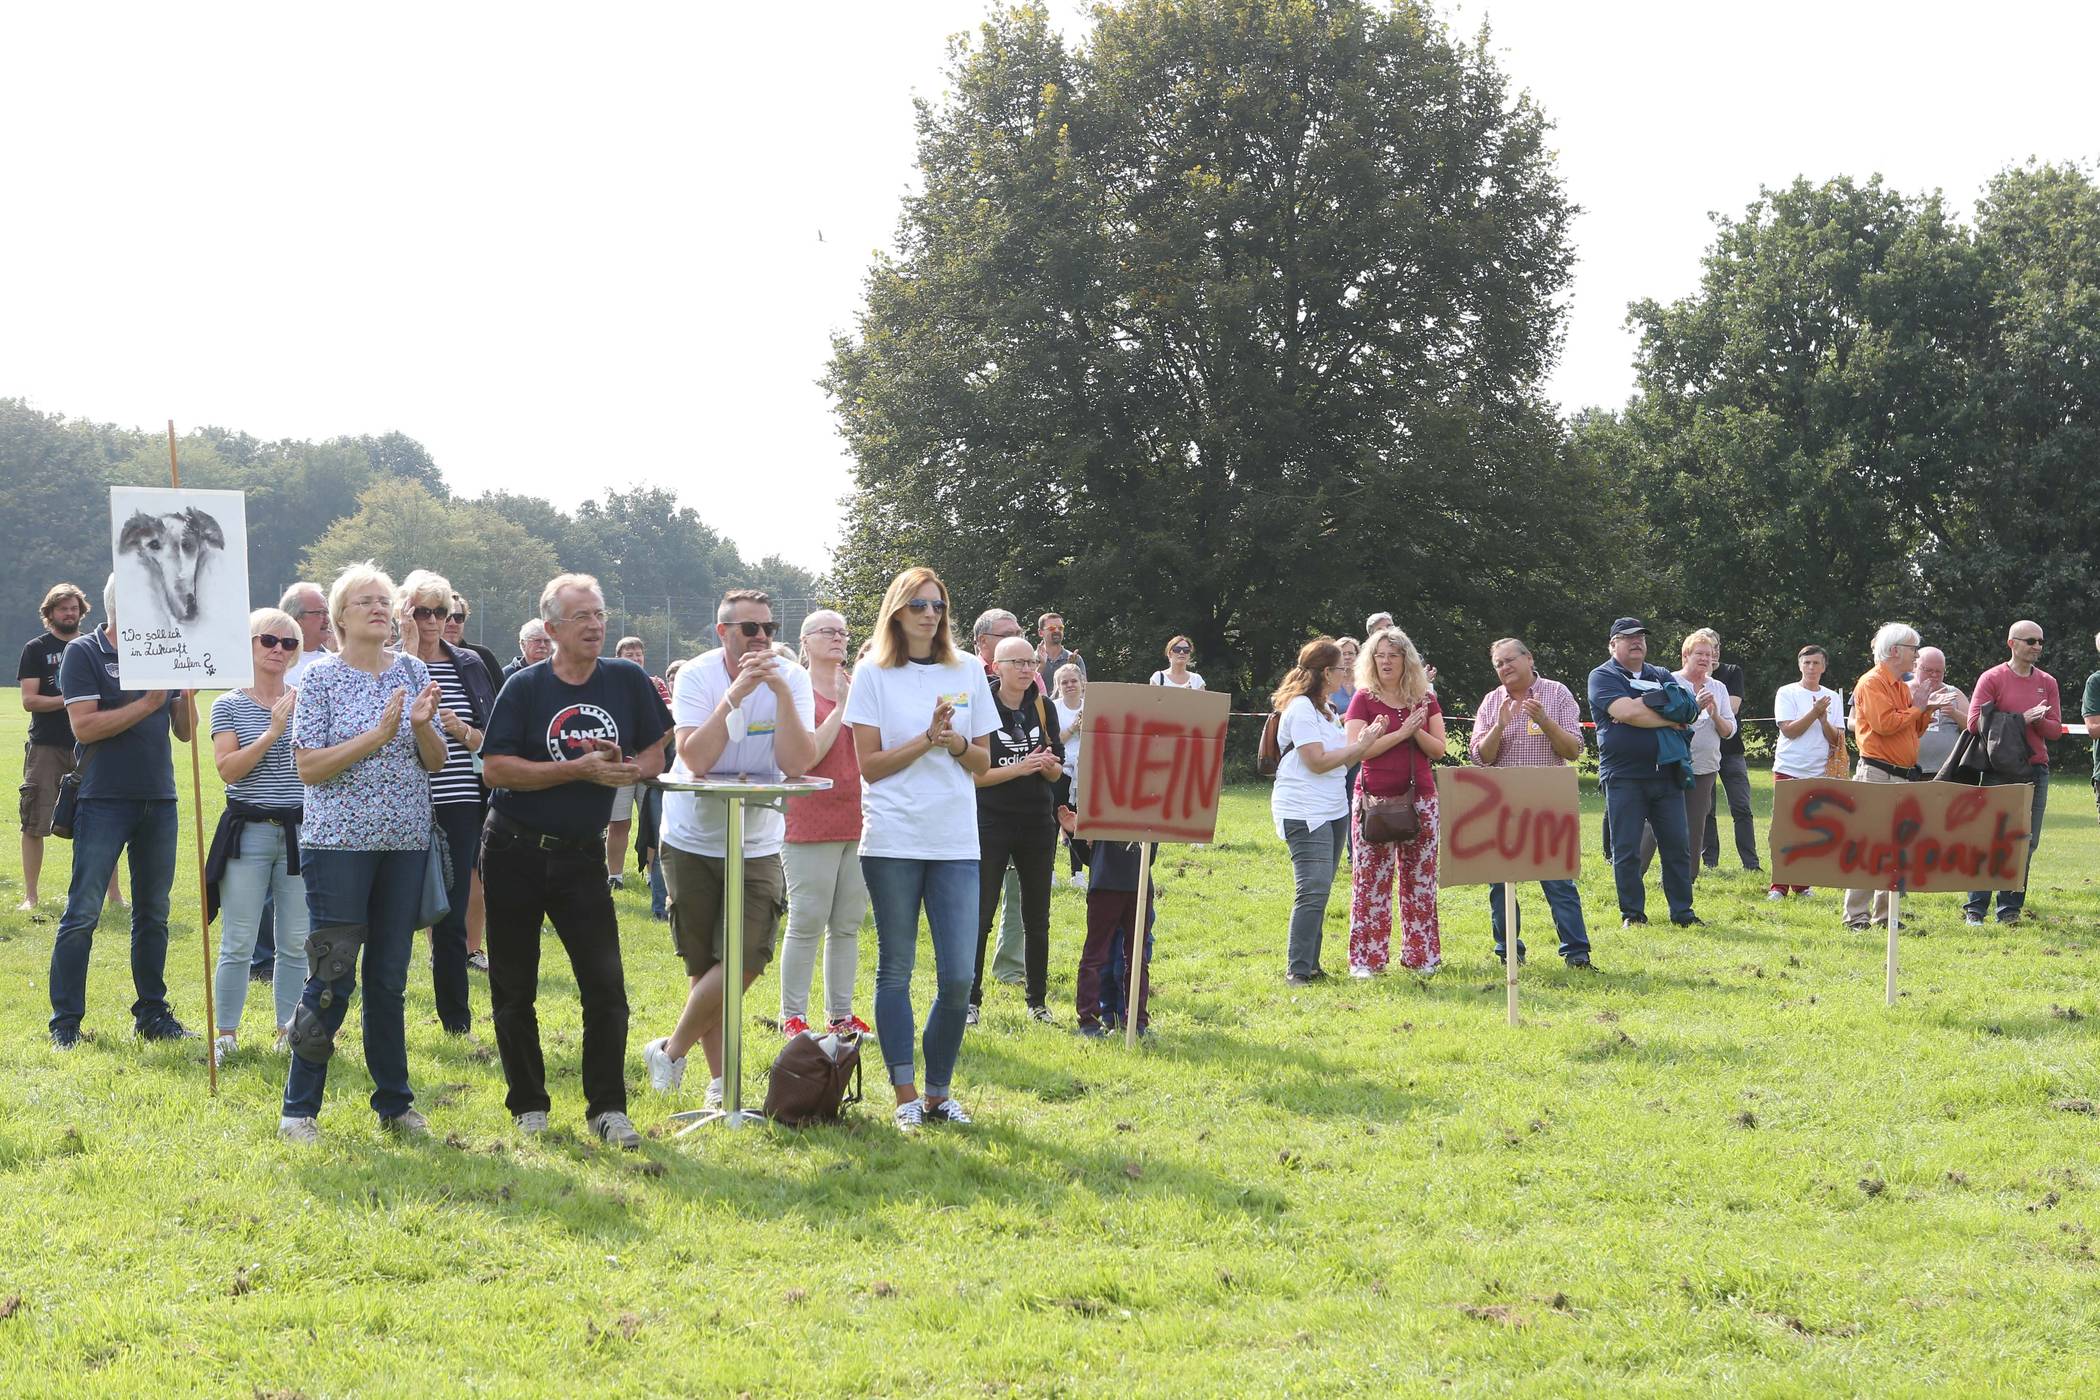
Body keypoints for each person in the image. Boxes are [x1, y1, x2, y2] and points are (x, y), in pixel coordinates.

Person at [481, 574, 671, 1148]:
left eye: (600, 613)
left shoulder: (627, 679)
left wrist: (629, 767)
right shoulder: (525, 687)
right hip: (514, 849)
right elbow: (495, 769)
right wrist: (576, 770)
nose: (595, 624)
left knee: (605, 987)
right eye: (582, 616)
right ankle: (529, 1106)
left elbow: (660, 749)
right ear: (551, 628)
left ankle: (608, 1108)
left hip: (583, 857)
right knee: (515, 987)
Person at [279, 563, 448, 1143]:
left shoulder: (415, 669)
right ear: (340, 617)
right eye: (366, 601)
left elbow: (435, 761)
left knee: (388, 980)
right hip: (338, 847)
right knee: (332, 977)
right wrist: (378, 735)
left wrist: (422, 727)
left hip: (404, 845)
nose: (380, 608)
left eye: (385, 600)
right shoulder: (320, 678)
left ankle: (395, 1106)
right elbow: (309, 768)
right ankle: (299, 1111)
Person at [642, 589, 813, 1113]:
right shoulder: (696, 675)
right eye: (749, 629)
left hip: (757, 840)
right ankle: (721, 1083)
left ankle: (670, 1050)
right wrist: (734, 695)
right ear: (724, 632)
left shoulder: (795, 679)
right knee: (704, 962)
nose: (762, 638)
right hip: (692, 839)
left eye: (769, 628)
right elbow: (693, 758)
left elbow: (797, 763)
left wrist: (782, 695)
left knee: (746, 955)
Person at [846, 566, 997, 1131]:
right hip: (892, 839)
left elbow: (982, 761)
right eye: (918, 605)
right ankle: (906, 1093)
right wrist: (924, 740)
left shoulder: (968, 671)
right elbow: (871, 768)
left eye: (937, 605)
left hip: (956, 839)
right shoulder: (872, 675)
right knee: (897, 969)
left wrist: (953, 740)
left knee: (959, 975)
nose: (930, 614)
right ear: (896, 613)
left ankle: (939, 1093)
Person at [47, 574, 196, 1048]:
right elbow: (85, 727)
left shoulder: (166, 649)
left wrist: (184, 695)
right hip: (103, 797)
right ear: (119, 606)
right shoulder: (84, 653)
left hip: (160, 796)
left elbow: (186, 733)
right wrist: (148, 701)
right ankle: (66, 1023)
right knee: (83, 911)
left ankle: (152, 1013)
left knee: (154, 912)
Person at [206, 609, 311, 1064]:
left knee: (294, 939)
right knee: (239, 938)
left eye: (288, 644)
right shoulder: (227, 704)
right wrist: (273, 731)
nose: (277, 650)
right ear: (247, 645)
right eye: (268, 640)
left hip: (299, 832)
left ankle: (288, 1030)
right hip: (247, 833)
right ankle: (225, 1034)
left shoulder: (307, 700)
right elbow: (229, 769)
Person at [398, 569, 497, 1035]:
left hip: (459, 805)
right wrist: (406, 650)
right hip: (399, 805)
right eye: (423, 611)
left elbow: (491, 740)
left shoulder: (470, 665)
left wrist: (461, 730)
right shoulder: (388, 665)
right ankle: (384, 1018)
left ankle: (456, 1020)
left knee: (453, 917)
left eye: (443, 612)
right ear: (405, 614)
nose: (434, 621)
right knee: (391, 916)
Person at [1471, 637, 1592, 969]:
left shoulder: (1557, 694)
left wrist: (1544, 721)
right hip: (1502, 806)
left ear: (1529, 659)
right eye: (1499, 664)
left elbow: (1573, 751)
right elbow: (1481, 758)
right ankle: (1508, 952)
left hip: (1546, 802)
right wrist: (1499, 725)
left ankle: (1576, 953)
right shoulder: (1492, 701)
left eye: (1510, 660)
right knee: (1501, 884)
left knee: (1558, 881)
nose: (1505, 667)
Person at [1270, 639, 1385, 985]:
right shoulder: (1302, 708)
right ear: (1325, 672)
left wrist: (1363, 744)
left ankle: (1312, 965)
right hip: (1305, 810)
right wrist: (1360, 746)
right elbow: (1316, 762)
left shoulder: (1327, 710)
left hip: (1333, 809)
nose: (1345, 673)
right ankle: (1298, 970)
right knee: (1313, 889)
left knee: (1320, 889)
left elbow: (1343, 758)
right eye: (1340, 668)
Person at [779, 609, 870, 1037]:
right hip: (809, 817)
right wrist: (841, 709)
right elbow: (808, 756)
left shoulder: (858, 685)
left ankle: (841, 1016)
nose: (838, 638)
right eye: (827, 631)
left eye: (843, 632)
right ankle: (792, 1016)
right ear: (806, 641)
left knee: (847, 923)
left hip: (859, 816)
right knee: (807, 920)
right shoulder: (794, 690)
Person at [969, 634, 1068, 1022]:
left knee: (1037, 917)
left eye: (1032, 663)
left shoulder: (1043, 707)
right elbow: (974, 777)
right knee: (981, 915)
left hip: (1037, 823)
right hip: (990, 821)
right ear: (996, 667)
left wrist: (1047, 767)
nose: (1028, 669)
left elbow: (1058, 769)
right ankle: (971, 1001)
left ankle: (1037, 1003)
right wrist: (1020, 767)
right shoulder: (980, 707)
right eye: (1018, 663)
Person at [1343, 627, 1446, 976]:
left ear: (1407, 660)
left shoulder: (1425, 699)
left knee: (1420, 882)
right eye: (1380, 655)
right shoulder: (1363, 699)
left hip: (1421, 801)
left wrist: (1415, 728)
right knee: (1370, 882)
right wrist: (1400, 732)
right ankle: (1367, 961)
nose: (1386, 661)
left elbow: (1439, 749)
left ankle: (1422, 958)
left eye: (1393, 655)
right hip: (1374, 801)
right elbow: (1359, 749)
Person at [1588, 618, 1700, 929]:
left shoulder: (1660, 674)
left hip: (1666, 774)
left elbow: (1688, 709)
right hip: (1623, 777)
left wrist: (1649, 712)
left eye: (1640, 637)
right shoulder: (1602, 676)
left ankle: (1683, 915)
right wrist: (1667, 718)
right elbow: (1626, 713)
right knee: (1627, 850)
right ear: (1613, 644)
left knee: (1678, 847)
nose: (1636, 642)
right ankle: (1633, 915)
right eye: (1627, 638)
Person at [1839, 623, 1949, 931]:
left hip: (1901, 777)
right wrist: (1919, 707)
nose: (1916, 656)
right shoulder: (1872, 683)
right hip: (1877, 773)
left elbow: (1914, 730)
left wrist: (1925, 711)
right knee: (1868, 844)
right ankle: (1856, 917)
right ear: (1896, 651)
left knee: (1896, 847)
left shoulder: (1901, 685)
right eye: (1914, 650)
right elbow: (1885, 724)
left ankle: (1886, 916)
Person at [18, 583, 120, 913]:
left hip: (89, 747)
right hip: (46, 746)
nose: (70, 613)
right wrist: (74, 699)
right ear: (49, 613)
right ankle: (30, 895)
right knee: (34, 820)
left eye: (74, 608)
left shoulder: (95, 647)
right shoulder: (35, 649)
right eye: (62, 608)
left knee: (102, 820)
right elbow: (29, 700)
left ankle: (113, 894)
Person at [1962, 621, 2063, 926]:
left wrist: (2036, 722)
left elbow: (2055, 730)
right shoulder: (1992, 678)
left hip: (2035, 769)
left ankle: (2009, 911)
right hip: (1999, 770)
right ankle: (1976, 909)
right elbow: (1973, 722)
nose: (2037, 647)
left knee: (2026, 841)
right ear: (2012, 643)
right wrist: (2020, 719)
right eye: (2031, 641)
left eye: (2041, 642)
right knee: (1990, 840)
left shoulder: (2048, 682)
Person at [1639, 631, 1736, 881]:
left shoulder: (1719, 688)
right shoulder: (1669, 681)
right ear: (1686, 655)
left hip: (1704, 767)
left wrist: (1714, 713)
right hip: (1670, 763)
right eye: (1700, 653)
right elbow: (1659, 720)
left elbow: (1728, 732)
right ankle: (1633, 873)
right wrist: (1695, 706)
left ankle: (1684, 880)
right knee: (1655, 821)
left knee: (1695, 826)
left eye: (1710, 655)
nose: (1705, 659)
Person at [969, 607, 1028, 991]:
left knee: (1021, 888)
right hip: (978, 802)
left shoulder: (1029, 683)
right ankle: (967, 975)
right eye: (1005, 634)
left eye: (1019, 632)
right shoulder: (968, 676)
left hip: (1025, 804)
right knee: (980, 894)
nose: (1014, 638)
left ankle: (1010, 967)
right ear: (982, 644)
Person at [444, 591, 501, 971]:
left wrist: (466, 732)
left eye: (457, 617)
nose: (449, 622)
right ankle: (442, 949)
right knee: (437, 871)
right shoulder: (403, 658)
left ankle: (471, 947)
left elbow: (497, 720)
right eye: (436, 613)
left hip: (472, 785)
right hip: (422, 788)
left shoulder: (479, 660)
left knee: (472, 869)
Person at [1768, 645, 1848, 898]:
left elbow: (1837, 739)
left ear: (1824, 667)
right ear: (1799, 665)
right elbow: (1789, 730)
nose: (1811, 667)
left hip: (1818, 772)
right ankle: (1778, 886)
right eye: (1807, 663)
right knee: (1784, 828)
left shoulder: (1832, 698)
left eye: (1816, 663)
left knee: (1808, 829)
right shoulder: (1787, 693)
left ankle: (1802, 884)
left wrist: (1824, 720)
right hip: (1789, 768)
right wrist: (1814, 713)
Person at [1074, 839, 1156, 1038]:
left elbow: (1150, 854)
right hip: (1104, 884)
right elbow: (1089, 856)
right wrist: (1074, 834)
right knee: (1095, 955)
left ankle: (1136, 1022)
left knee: (1137, 956)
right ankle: (1089, 1022)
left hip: (1139, 885)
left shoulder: (1150, 810)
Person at [605, 635, 667, 889]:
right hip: (620, 767)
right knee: (619, 822)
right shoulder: (607, 687)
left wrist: (653, 752)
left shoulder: (656, 685)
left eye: (638, 653)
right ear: (618, 657)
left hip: (650, 769)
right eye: (629, 654)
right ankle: (615, 877)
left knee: (653, 824)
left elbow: (669, 724)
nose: (635, 657)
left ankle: (654, 876)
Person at [1701, 638, 1760, 874]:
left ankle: (1751, 864)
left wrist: (1713, 709)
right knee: (1706, 809)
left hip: (1731, 751)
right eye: (1705, 650)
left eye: (1714, 648)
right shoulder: (1688, 679)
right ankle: (1710, 863)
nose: (1711, 653)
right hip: (1704, 753)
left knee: (1742, 808)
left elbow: (1732, 709)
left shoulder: (1732, 672)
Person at [1051, 663, 1088, 885]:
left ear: (1082, 683)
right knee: (1053, 821)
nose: (1070, 685)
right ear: (1058, 686)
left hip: (1085, 772)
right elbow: (1054, 742)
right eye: (1064, 682)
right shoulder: (1054, 708)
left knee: (1079, 823)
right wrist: (1074, 727)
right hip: (1060, 770)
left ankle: (1078, 873)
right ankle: (1051, 871)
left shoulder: (1092, 706)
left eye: (1073, 681)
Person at [1914, 646, 1971, 777]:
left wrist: (1954, 714)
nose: (1934, 675)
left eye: (1939, 671)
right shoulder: (1904, 690)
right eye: (1928, 670)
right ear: (1915, 667)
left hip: (1946, 771)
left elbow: (1972, 727)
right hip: (1909, 769)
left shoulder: (1954, 693)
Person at [278, 581, 336, 685]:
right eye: (319, 613)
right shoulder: (276, 663)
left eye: (327, 613)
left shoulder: (336, 665)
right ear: (296, 619)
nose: (327, 620)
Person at [443, 592, 505, 687]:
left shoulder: (483, 657)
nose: (453, 623)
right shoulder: (420, 661)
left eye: (458, 617)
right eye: (447, 617)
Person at [1034, 611, 1084, 692]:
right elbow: (1026, 689)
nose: (1057, 631)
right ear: (1040, 632)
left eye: (1060, 628)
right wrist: (1041, 667)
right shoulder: (1031, 659)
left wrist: (1071, 669)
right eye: (1051, 628)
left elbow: (1083, 691)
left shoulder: (1075, 659)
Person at [502, 619, 551, 685]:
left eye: (547, 641)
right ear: (523, 644)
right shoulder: (506, 675)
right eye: (537, 640)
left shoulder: (559, 673)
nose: (543, 645)